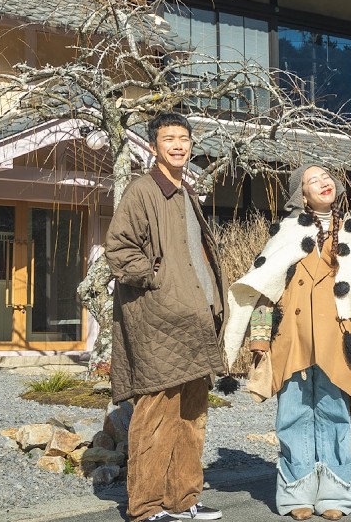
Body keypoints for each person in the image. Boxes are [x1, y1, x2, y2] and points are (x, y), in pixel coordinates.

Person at [223, 163, 351, 520]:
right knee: (293, 415)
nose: (323, 183)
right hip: (291, 339)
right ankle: (297, 493)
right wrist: (260, 342)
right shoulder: (287, 233)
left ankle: (336, 495)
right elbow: (266, 286)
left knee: (334, 414)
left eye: (326, 177)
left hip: (339, 341)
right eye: (313, 180)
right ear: (301, 195)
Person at [104, 112, 226, 522]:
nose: (177, 144)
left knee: (192, 416)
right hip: (159, 322)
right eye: (168, 138)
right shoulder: (143, 190)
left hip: (194, 323)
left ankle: (184, 500)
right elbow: (120, 250)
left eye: (184, 138)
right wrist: (157, 277)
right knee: (155, 415)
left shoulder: (186, 191)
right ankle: (145, 506)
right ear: (154, 147)